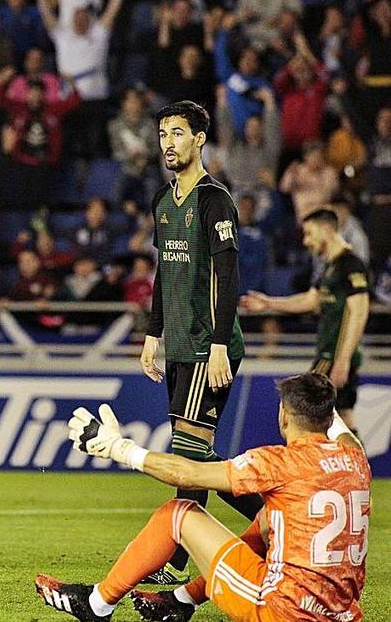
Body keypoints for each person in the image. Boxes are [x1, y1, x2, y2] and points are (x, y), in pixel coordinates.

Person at [39, 372, 367, 622]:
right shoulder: (356, 459)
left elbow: (188, 475)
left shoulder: (279, 463)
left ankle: (97, 604)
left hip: (283, 609)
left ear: (283, 416)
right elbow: (347, 438)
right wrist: (325, 404)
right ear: (328, 417)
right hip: (341, 612)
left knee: (178, 513)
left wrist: (119, 449)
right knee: (269, 520)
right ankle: (182, 600)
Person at [138, 100, 261, 584]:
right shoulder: (163, 202)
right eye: (163, 134)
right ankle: (274, 525)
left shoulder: (214, 200)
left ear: (199, 140)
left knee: (188, 457)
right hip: (178, 346)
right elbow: (163, 274)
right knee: (191, 456)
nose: (168, 143)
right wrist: (153, 334)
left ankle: (179, 561)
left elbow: (228, 277)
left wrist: (216, 345)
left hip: (208, 345)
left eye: (177, 133)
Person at [241, 208, 371, 433]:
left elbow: (359, 311)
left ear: (327, 229)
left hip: (333, 357)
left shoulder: (350, 265)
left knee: (301, 407)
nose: (306, 241)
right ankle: (354, 464)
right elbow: (310, 300)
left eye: (310, 233)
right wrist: (269, 303)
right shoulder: (330, 268)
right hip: (330, 355)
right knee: (342, 418)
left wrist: (343, 359)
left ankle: (309, 464)